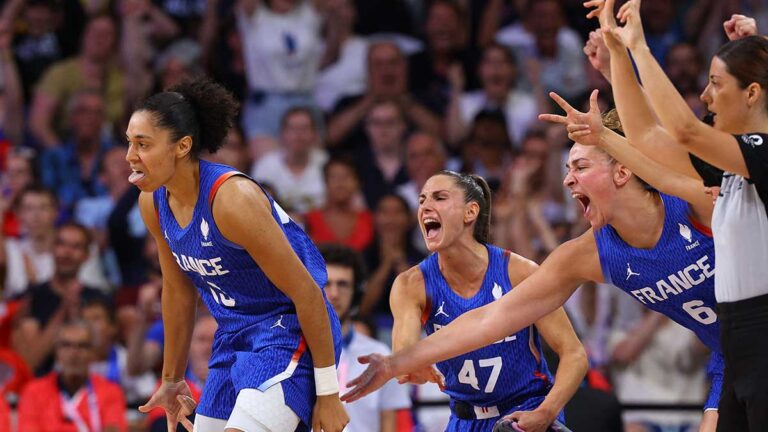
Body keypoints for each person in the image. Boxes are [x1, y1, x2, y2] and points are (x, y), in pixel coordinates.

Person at [341, 107, 724, 431]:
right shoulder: (584, 254)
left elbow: (676, 131)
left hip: (529, 402)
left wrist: (624, 52)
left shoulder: (697, 203)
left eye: (580, 166)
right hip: (733, 355)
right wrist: (397, 362)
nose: (567, 178)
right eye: (567, 167)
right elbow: (489, 319)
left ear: (622, 171)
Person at [126, 78, 348, 432]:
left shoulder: (232, 199)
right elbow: (178, 290)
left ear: (182, 146)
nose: (130, 156)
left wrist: (328, 393)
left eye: (143, 144)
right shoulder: (152, 202)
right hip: (232, 335)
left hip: (287, 331)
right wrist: (170, 379)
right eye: (129, 143)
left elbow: (307, 293)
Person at [592, 1, 768, 429]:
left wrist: (641, 49)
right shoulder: (731, 165)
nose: (705, 96)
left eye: (715, 84)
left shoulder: (763, 152)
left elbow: (684, 130)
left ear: (751, 93)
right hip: (738, 339)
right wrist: (619, 53)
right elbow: (649, 138)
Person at [385, 170, 588, 431]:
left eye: (439, 197)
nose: (425, 206)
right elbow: (403, 351)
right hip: (464, 420)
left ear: (470, 212)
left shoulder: (519, 272)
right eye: (422, 199)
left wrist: (546, 412)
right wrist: (411, 365)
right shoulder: (411, 284)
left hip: (525, 412)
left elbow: (575, 354)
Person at [319, 243, 411, 432]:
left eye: (343, 284)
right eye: (327, 284)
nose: (334, 293)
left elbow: (389, 425)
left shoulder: (380, 355)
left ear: (356, 291)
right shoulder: (295, 352)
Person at [17, 320, 128, 432]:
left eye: (82, 346)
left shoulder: (110, 392)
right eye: (66, 345)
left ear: (93, 353)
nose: (74, 353)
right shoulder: (34, 392)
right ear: (56, 352)